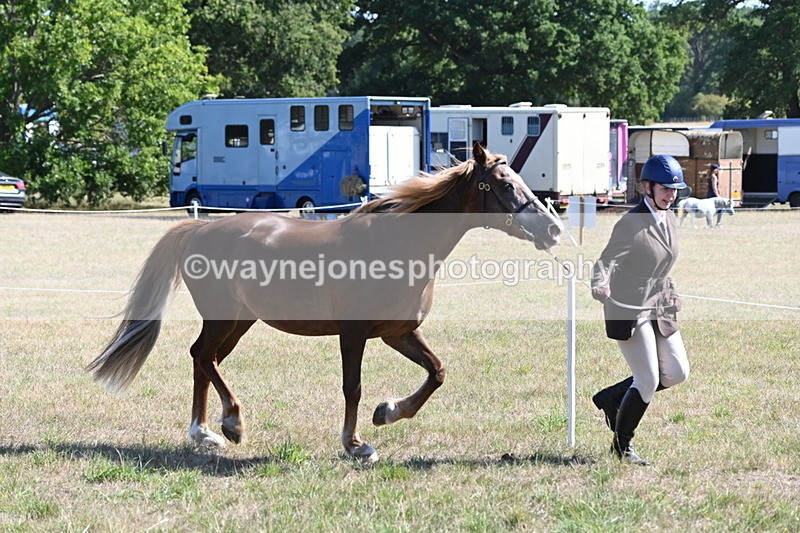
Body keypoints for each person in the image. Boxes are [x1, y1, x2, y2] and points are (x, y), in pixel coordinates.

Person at [590, 154, 690, 466]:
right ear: (647, 187)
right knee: (646, 379)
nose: (671, 194)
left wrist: (671, 292)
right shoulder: (631, 222)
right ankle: (622, 449)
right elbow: (604, 262)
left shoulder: (670, 218)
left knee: (676, 372)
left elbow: (662, 264)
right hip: (628, 307)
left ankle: (613, 398)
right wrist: (599, 283)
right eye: (665, 188)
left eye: (675, 189)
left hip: (659, 306)